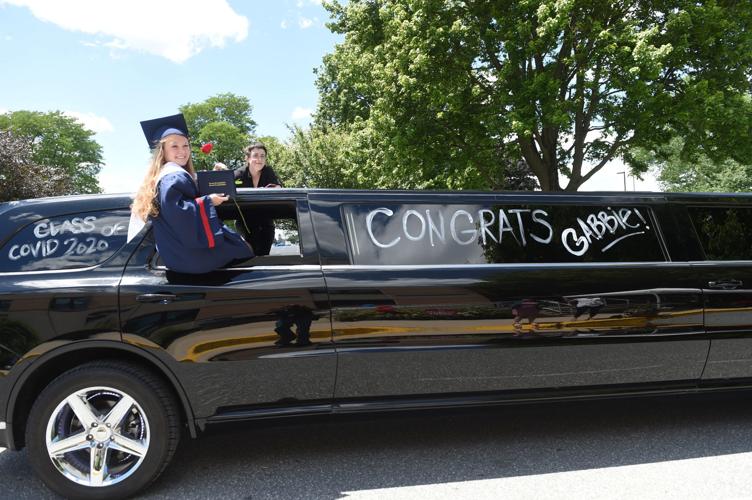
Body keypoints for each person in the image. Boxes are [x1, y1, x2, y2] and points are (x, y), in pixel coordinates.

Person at [130, 113, 253, 274]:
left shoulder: (167, 175)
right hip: (190, 256)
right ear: (163, 151)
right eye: (174, 146)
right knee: (243, 249)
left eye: (186, 145)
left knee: (240, 246)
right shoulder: (173, 176)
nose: (182, 151)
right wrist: (208, 201)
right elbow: (177, 211)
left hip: (177, 255)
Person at [214, 142, 281, 255]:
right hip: (245, 222)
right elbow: (223, 187)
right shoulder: (239, 173)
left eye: (262, 156)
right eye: (255, 155)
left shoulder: (268, 171)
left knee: (264, 255)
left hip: (266, 223)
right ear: (247, 158)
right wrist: (217, 174)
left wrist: (275, 188)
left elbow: (279, 188)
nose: (259, 159)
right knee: (250, 255)